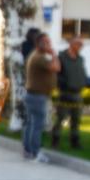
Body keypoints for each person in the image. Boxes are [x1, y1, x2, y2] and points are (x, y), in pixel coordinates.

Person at [23, 33, 60, 162]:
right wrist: (54, 54)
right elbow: (56, 67)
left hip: (33, 95)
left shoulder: (36, 56)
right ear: (39, 44)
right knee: (37, 125)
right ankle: (35, 152)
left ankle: (28, 150)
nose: (49, 45)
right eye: (47, 42)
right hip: (37, 96)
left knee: (31, 123)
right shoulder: (39, 58)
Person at [51, 37, 87, 149]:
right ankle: (55, 140)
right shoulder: (61, 57)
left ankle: (75, 141)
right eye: (79, 44)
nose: (81, 47)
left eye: (82, 45)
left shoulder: (80, 59)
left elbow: (82, 72)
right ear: (72, 44)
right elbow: (56, 74)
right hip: (65, 92)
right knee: (61, 117)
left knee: (76, 119)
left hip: (77, 92)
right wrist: (64, 84)